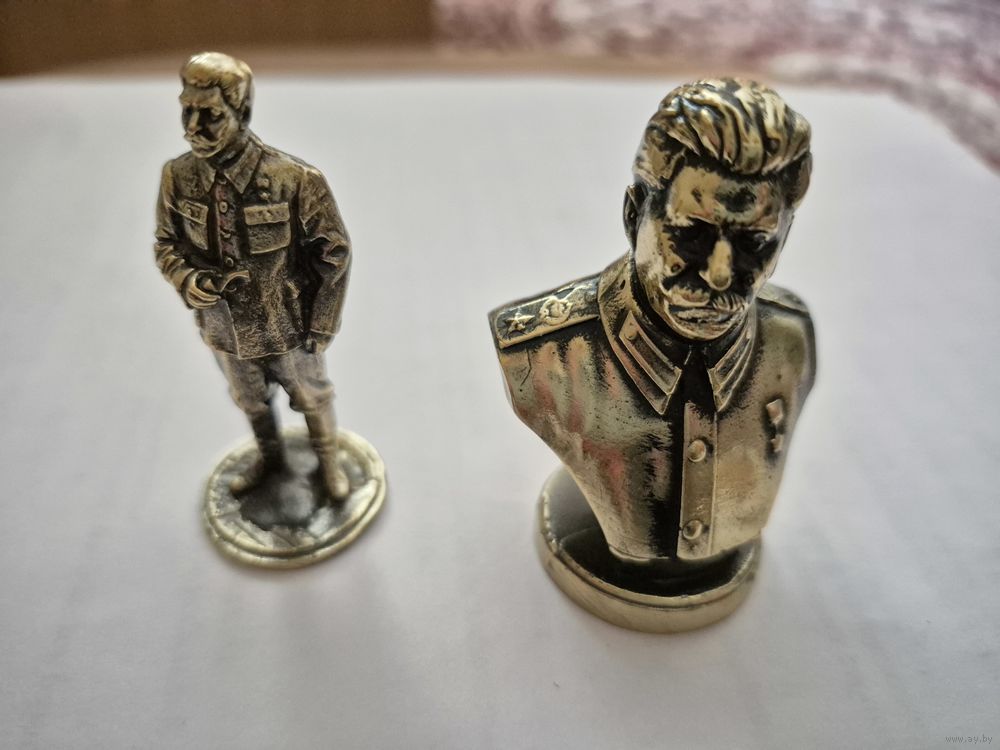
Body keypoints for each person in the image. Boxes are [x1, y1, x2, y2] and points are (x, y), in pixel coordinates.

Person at [490, 78, 816, 563]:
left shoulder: (791, 341)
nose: (720, 274)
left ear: (783, 241)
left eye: (754, 243)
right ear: (633, 215)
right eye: (691, 234)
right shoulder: (540, 354)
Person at [154, 51, 351, 499]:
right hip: (223, 329)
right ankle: (271, 459)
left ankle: (329, 464)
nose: (192, 127)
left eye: (211, 115)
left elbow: (334, 253)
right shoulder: (176, 176)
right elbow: (167, 243)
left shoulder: (295, 179)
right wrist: (188, 280)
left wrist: (322, 322)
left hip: (289, 327)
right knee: (248, 399)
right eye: (187, 110)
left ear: (241, 112)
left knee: (312, 397)